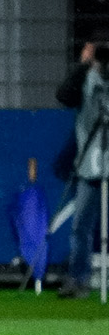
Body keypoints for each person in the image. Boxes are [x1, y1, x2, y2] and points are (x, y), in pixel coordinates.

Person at [55, 33, 109, 299]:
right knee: (81, 226)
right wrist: (84, 65)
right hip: (91, 164)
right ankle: (79, 280)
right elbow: (63, 96)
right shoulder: (85, 79)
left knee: (82, 227)